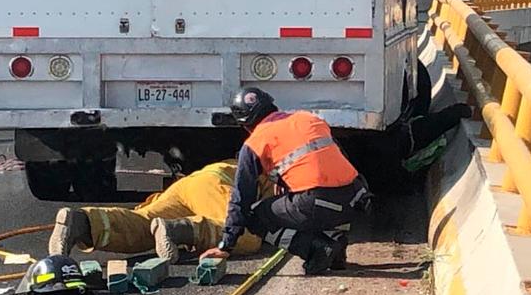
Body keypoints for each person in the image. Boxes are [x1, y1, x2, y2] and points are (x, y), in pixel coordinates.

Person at [199, 88, 371, 275]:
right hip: (355, 198)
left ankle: (316, 249)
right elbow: (338, 161)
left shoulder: (255, 143)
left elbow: (241, 199)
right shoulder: (309, 119)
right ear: (273, 107)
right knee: (323, 201)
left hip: (317, 201)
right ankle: (336, 254)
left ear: (245, 125)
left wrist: (226, 245)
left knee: (255, 215)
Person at [48, 161, 275, 262]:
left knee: (143, 225)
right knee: (247, 236)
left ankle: (82, 222)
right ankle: (179, 230)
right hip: (213, 187)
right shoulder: (279, 172)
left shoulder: (252, 157)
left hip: (190, 184)